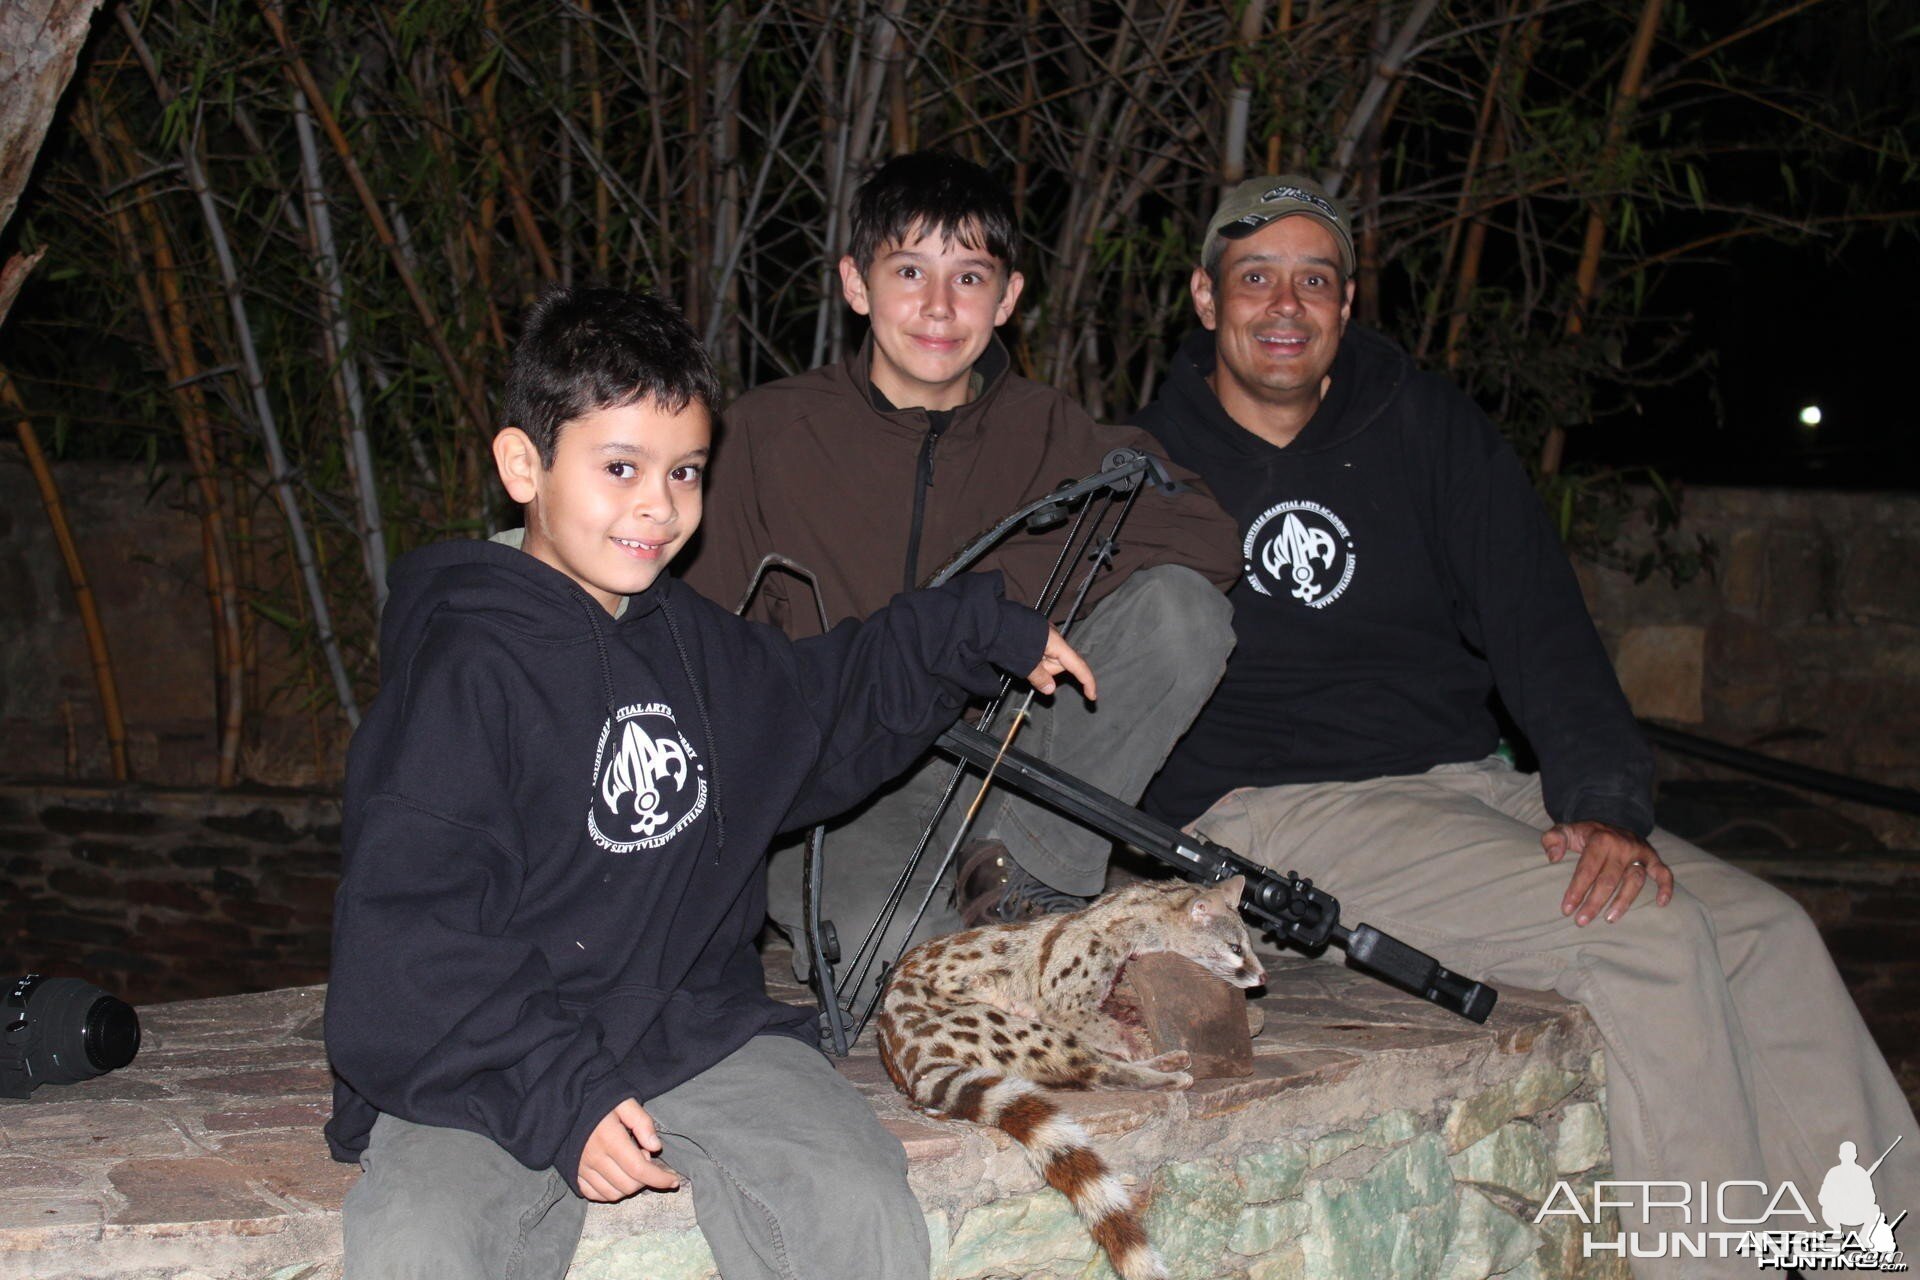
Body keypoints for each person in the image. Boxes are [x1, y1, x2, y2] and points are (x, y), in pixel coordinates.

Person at [1134, 175, 1918, 1276]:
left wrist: (1600, 801)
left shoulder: (1423, 426)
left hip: (1461, 778)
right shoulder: (1142, 468)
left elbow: (1540, 623)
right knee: (1646, 939)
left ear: (1346, 303)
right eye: (1254, 277)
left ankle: (1875, 1256)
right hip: (1278, 808)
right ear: (1208, 302)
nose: (1284, 304)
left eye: (1313, 279)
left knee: (1767, 930)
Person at [322, 286, 1095, 1280]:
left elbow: (824, 699)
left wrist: (975, 633)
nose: (659, 504)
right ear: (524, 465)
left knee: (853, 1200)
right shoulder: (465, 669)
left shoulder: (690, 645)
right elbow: (413, 932)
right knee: (417, 1245)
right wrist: (558, 1091)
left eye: (684, 470)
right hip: (489, 1054)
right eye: (619, 468)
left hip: (691, 1024)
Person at [682, 150, 1240, 965]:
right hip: (843, 789)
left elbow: (1208, 534)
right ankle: (1026, 943)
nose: (939, 307)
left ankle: (1023, 871)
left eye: (970, 277)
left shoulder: (1048, 428)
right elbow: (694, 641)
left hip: (1011, 765)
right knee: (891, 951)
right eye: (909, 270)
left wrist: (996, 599)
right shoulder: (764, 435)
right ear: (855, 283)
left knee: (1185, 614)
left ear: (1008, 298)